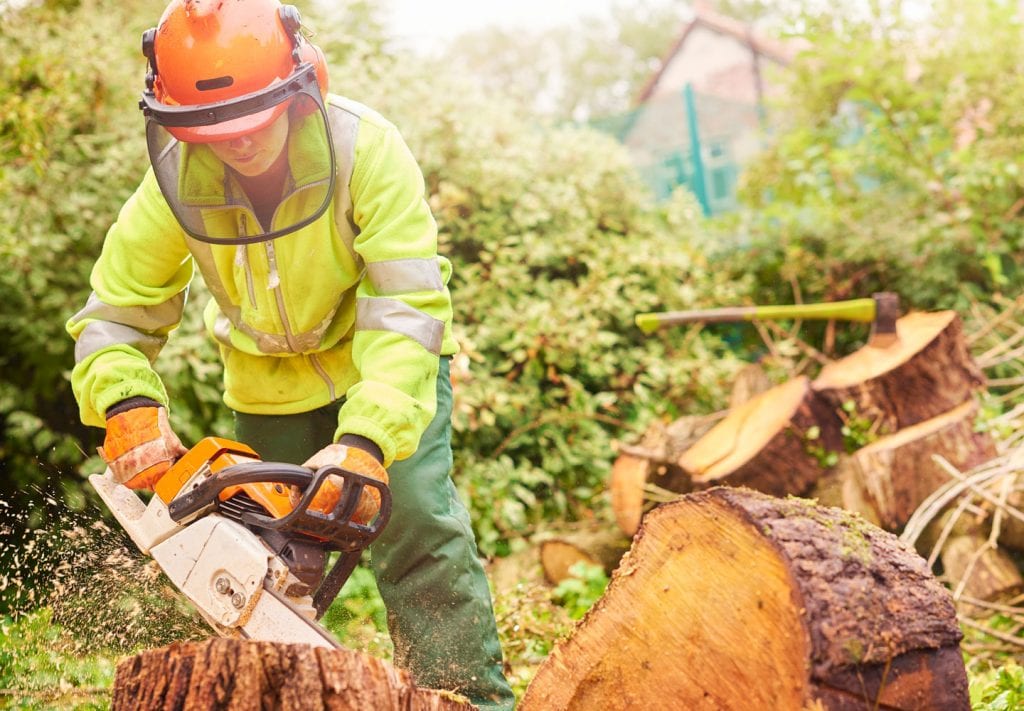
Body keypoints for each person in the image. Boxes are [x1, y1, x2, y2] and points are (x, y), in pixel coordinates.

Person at [65, 1, 514, 708]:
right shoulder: (177, 182)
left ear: (300, 88)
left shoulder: (367, 150)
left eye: (252, 122)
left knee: (419, 523)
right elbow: (113, 311)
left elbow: (408, 310)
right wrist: (125, 400)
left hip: (380, 370)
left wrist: (366, 442)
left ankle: (467, 698)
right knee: (254, 557)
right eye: (211, 132)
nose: (236, 145)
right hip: (267, 386)